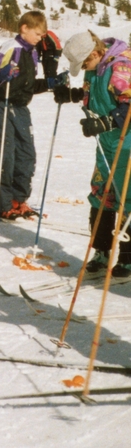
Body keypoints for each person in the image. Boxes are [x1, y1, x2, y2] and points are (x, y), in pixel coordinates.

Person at [59, 31, 131, 280]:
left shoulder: (121, 65)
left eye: (85, 63)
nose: (84, 69)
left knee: (126, 198)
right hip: (106, 144)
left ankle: (128, 259)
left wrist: (106, 122)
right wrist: (73, 95)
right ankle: (101, 253)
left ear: (96, 53)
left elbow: (128, 103)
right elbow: (96, 95)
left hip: (126, 143)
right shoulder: (96, 67)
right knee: (101, 195)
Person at [0, 10, 53, 219]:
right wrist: (0, 75)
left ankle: (17, 199)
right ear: (25, 28)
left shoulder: (31, 51)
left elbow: (27, 85)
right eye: (38, 34)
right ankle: (3, 204)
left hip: (20, 107)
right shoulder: (11, 48)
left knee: (26, 155)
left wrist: (49, 83)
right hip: (0, 105)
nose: (41, 39)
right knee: (4, 156)